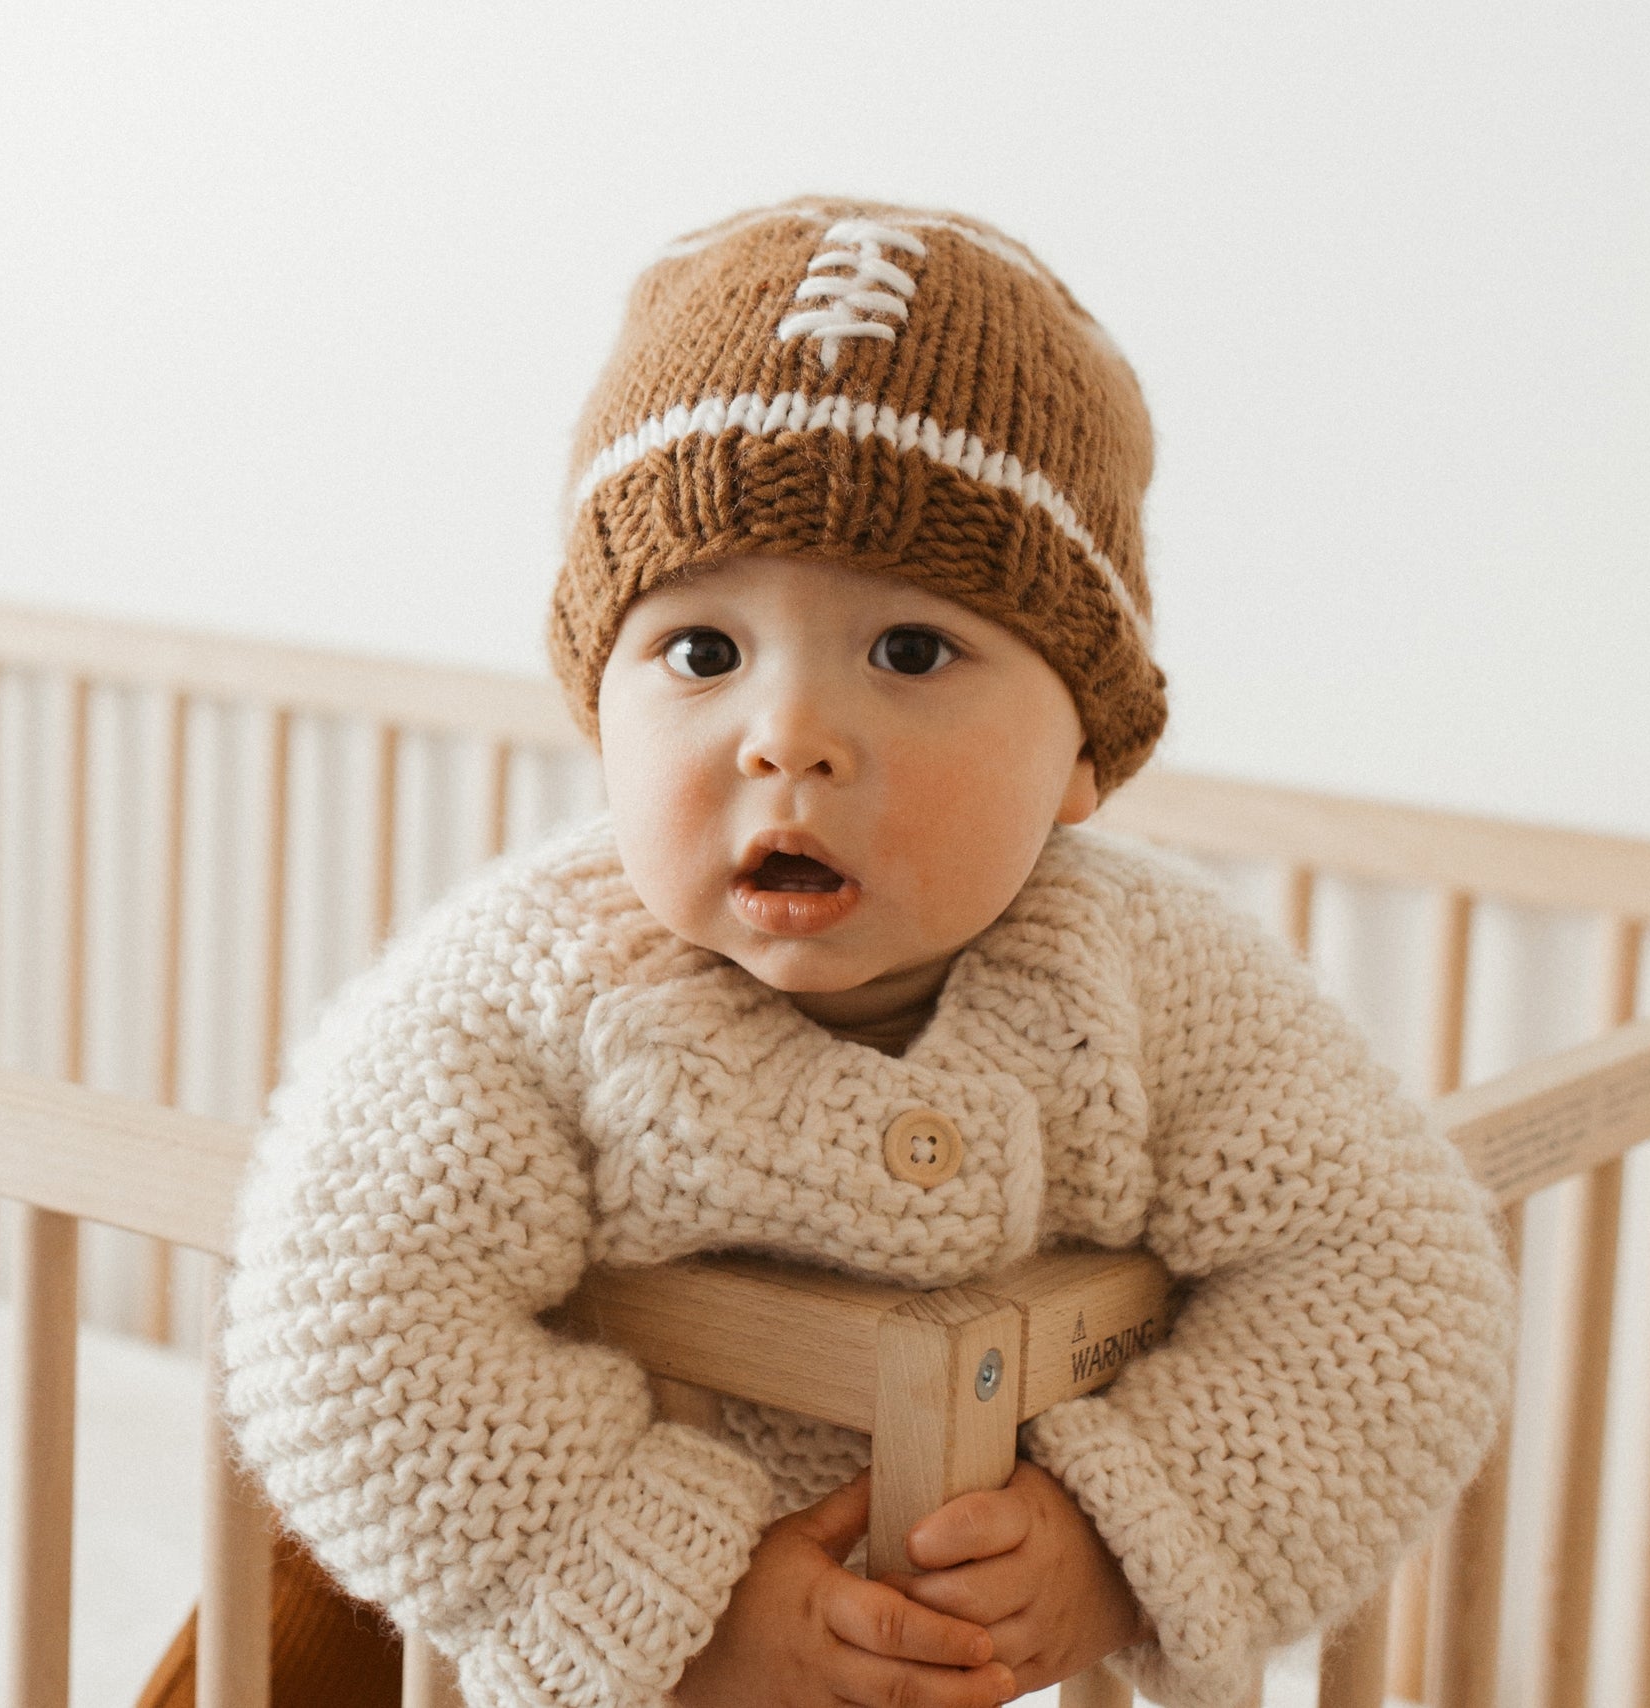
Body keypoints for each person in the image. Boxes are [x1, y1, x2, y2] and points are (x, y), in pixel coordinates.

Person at [220, 198, 1517, 1708]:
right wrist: (669, 1596)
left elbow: (1393, 1286)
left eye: (909, 652)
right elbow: (347, 1323)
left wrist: (1118, 1540)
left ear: (1083, 761)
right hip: (512, 1648)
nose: (789, 736)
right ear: (599, 712)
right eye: (701, 653)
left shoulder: (1152, 978)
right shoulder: (532, 985)